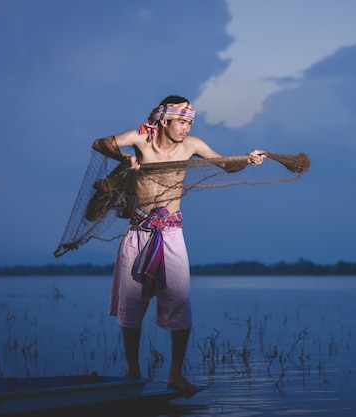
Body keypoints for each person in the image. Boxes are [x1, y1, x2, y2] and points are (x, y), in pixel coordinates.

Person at [91, 95, 265, 398]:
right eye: (181, 122)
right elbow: (100, 143)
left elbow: (225, 165)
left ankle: (175, 375)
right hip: (138, 231)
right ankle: (133, 371)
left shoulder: (192, 145)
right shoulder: (141, 138)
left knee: (179, 303)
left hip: (171, 233)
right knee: (131, 306)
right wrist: (126, 159)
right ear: (164, 120)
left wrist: (248, 159)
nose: (186, 128)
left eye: (189, 123)